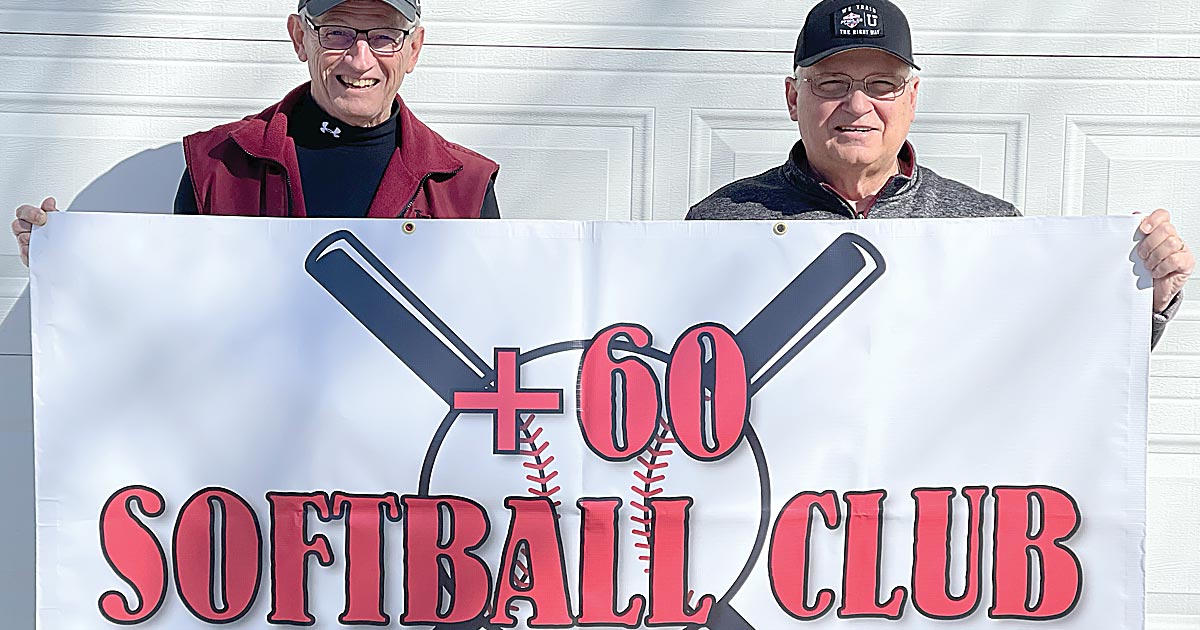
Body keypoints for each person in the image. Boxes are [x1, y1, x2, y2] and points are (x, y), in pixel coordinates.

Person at [687, 0, 1192, 348]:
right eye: (832, 83)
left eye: (882, 84)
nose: (857, 104)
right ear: (794, 97)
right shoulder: (720, 223)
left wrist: (1146, 298)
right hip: (786, 494)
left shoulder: (988, 225)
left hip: (940, 500)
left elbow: (1054, 364)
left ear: (912, 98)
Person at [12, 0, 499, 264]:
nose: (359, 58)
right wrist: (67, 268)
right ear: (298, 37)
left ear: (413, 50)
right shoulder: (220, 164)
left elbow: (501, 325)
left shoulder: (463, 186)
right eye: (336, 32)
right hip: (249, 448)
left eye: (384, 36)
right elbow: (166, 304)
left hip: (405, 451)